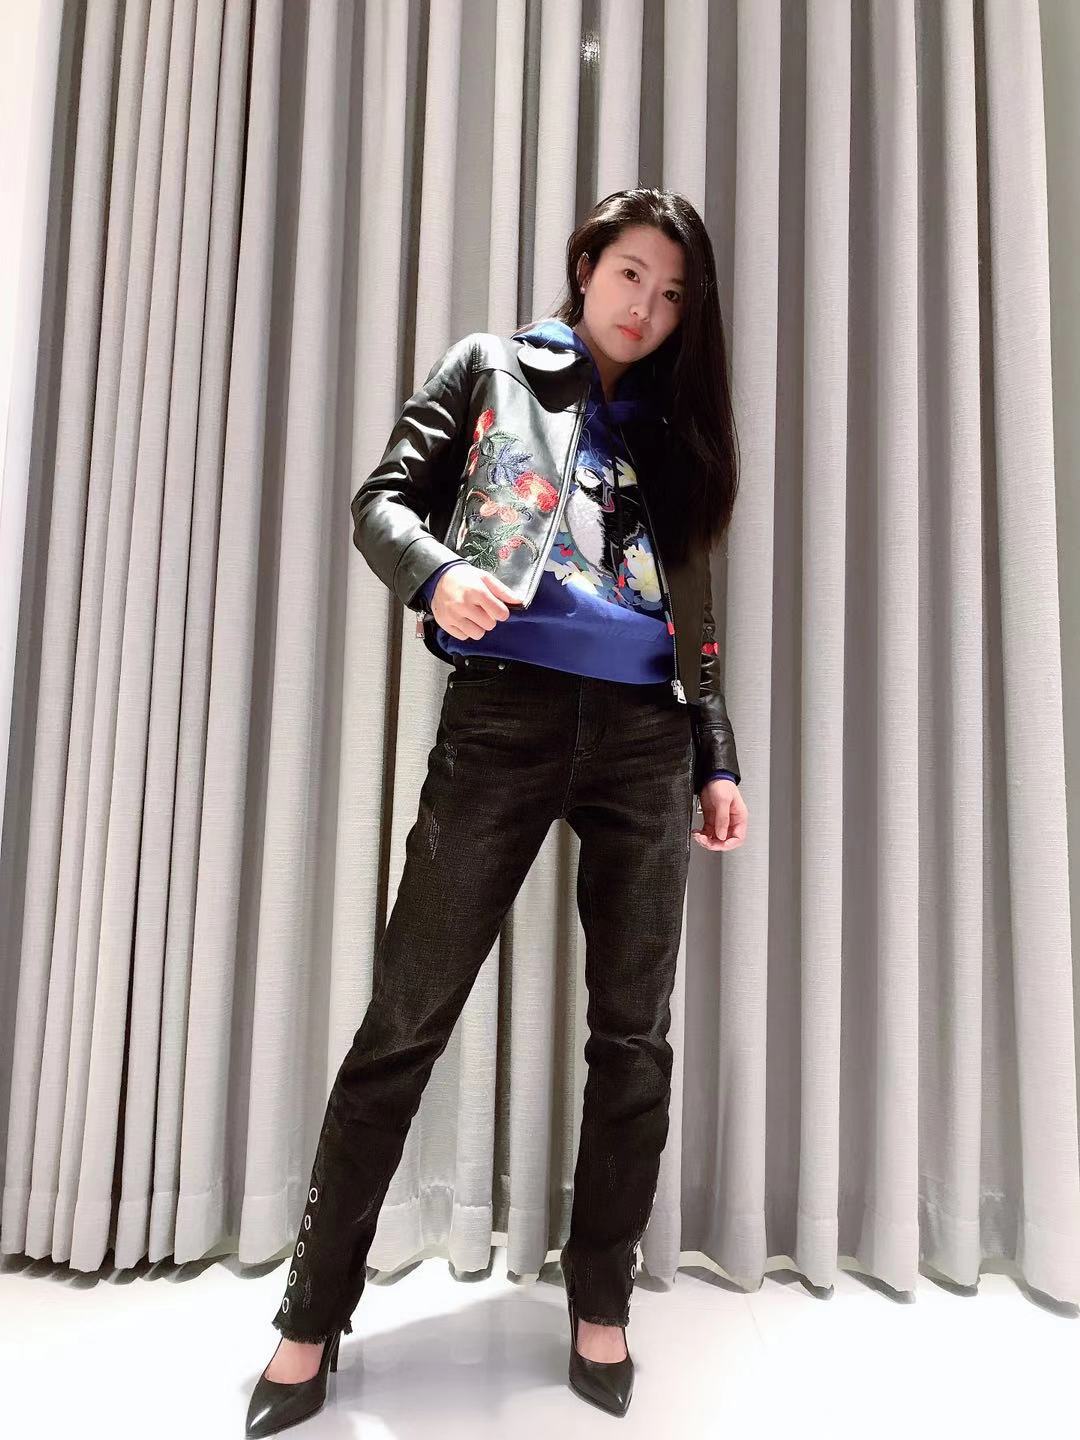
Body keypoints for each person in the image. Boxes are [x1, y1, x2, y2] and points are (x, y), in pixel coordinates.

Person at [245, 187, 749, 1436]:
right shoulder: (492, 367)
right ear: (586, 266)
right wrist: (438, 574)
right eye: (630, 274)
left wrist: (716, 755)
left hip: (645, 741)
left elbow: (695, 617)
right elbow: (381, 501)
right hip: (506, 715)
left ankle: (600, 1301)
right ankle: (311, 1313)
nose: (646, 307)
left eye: (672, 294)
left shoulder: (679, 427)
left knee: (633, 1036)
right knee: (405, 1019)